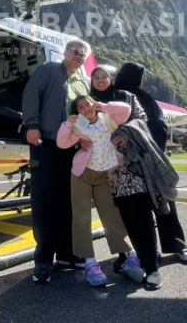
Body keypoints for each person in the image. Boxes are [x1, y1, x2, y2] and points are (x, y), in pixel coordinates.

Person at [113, 62, 187, 266]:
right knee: (139, 209)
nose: (144, 79)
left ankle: (175, 245)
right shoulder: (119, 97)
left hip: (152, 157)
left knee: (163, 201)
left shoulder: (143, 95)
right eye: (142, 75)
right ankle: (147, 251)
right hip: (131, 161)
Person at [22, 39, 90, 284]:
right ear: (65, 52)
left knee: (68, 201)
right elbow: (31, 94)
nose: (78, 56)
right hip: (46, 144)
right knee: (44, 201)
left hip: (70, 149)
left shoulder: (81, 81)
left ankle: (66, 254)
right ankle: (42, 261)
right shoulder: (48, 70)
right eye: (75, 51)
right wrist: (32, 125)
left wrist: (85, 138)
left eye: (82, 55)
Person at [57, 96, 144, 286]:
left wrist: (102, 105)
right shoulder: (78, 125)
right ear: (77, 112)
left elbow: (126, 110)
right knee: (82, 218)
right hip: (82, 175)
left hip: (105, 175)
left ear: (93, 103)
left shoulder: (107, 117)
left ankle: (129, 256)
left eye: (87, 103)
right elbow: (62, 143)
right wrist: (67, 123)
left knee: (111, 215)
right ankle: (89, 264)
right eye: (80, 107)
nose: (86, 108)